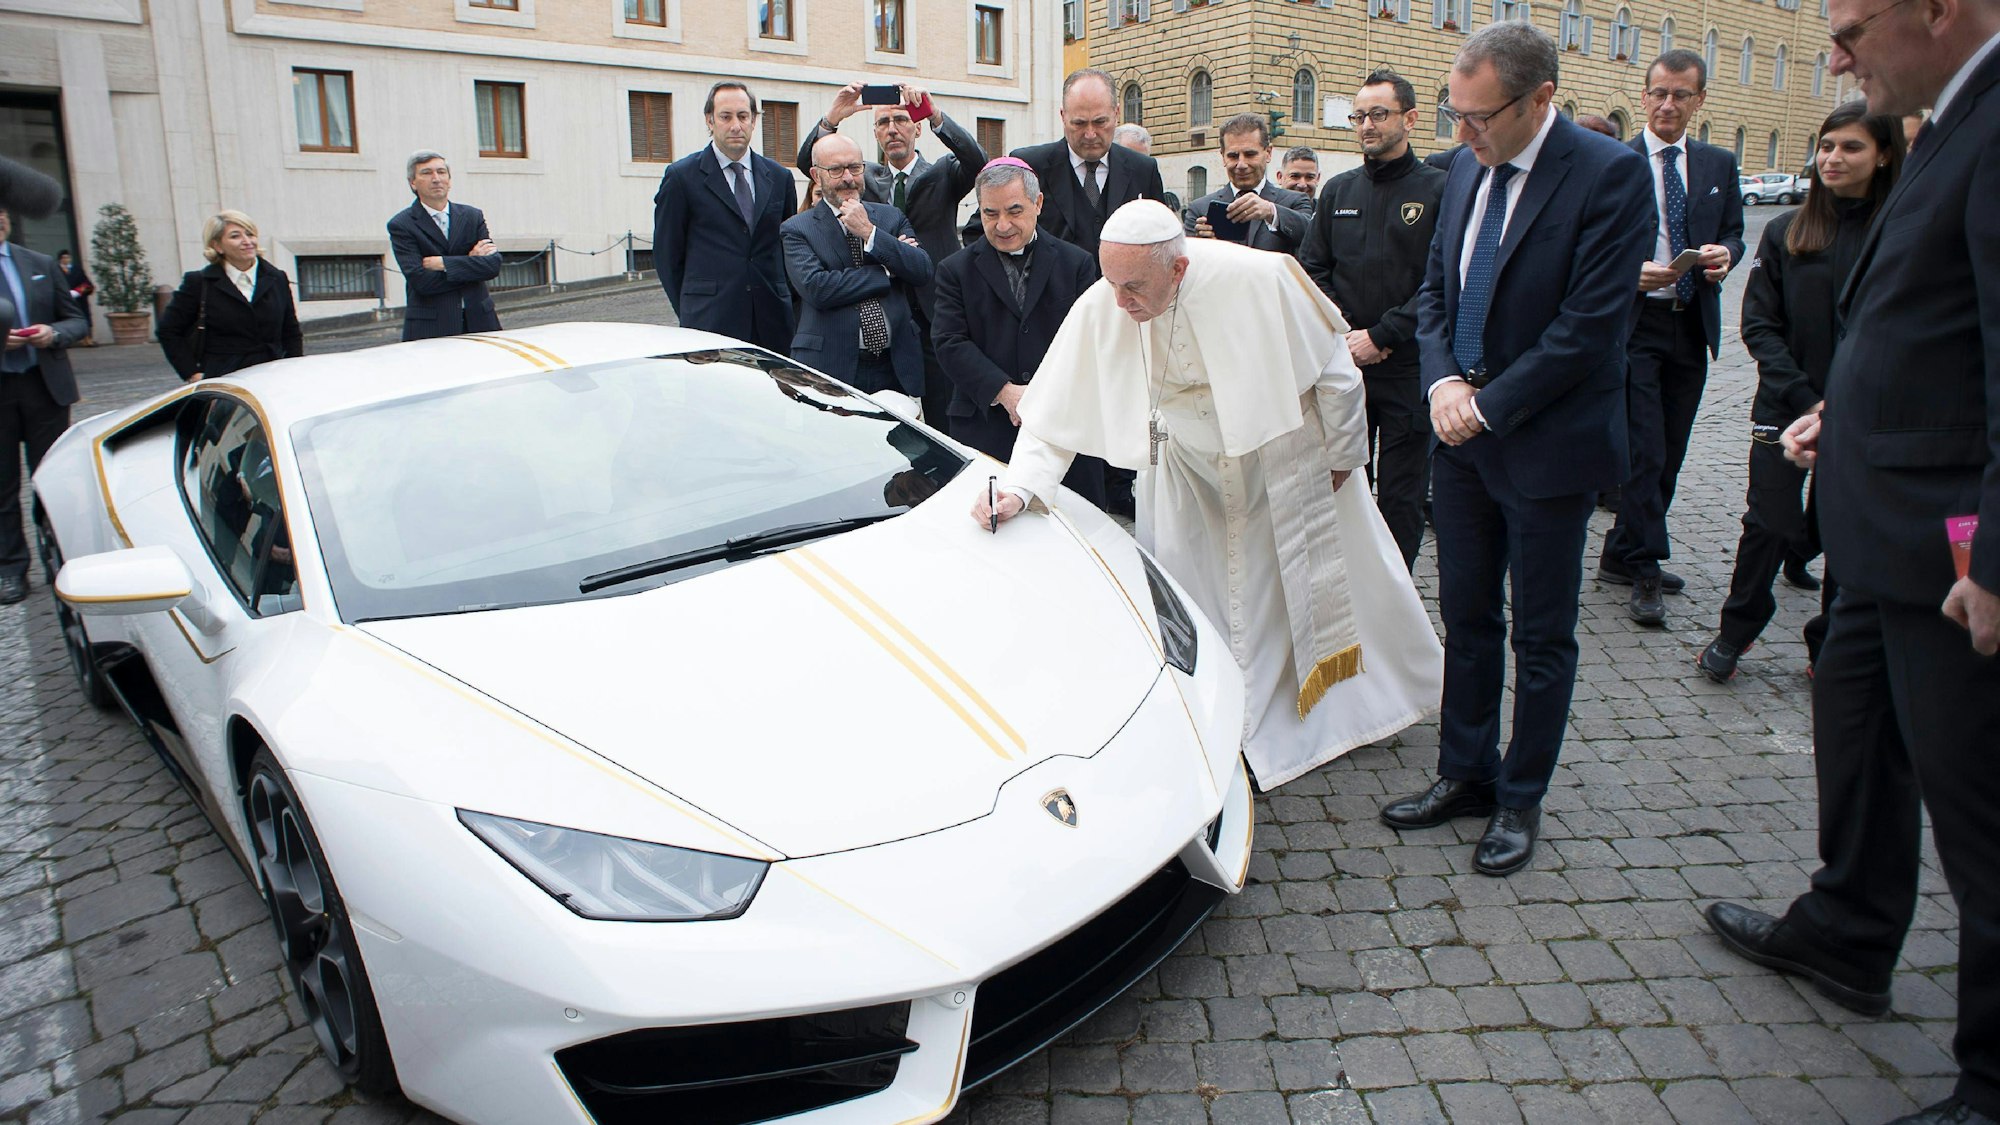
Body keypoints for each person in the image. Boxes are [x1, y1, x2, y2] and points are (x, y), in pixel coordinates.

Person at [1703, 0, 2000, 1118]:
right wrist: (1848, 411)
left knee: (1978, 815)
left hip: (1952, 557)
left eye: (1852, 28)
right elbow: (1932, 331)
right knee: (1859, 741)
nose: (1833, 57)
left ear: (1938, 9)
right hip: (1878, 537)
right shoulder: (1950, 119)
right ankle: (1847, 927)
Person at [971, 199, 1442, 790]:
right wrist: (1019, 488)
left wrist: (1343, 457)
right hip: (1185, 470)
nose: (1120, 303)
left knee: (1283, 597)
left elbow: (1336, 374)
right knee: (1191, 599)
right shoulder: (1108, 300)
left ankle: (1325, 718)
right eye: (1112, 283)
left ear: (1178, 268)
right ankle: (1217, 719)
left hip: (1275, 459)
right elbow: (1052, 413)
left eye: (1134, 287)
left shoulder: (1262, 279)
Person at [1386, 22, 1654, 876]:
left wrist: (1486, 405)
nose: (1462, 133)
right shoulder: (1467, 166)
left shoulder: (1610, 175)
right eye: (1453, 114)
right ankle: (1465, 770)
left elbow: (1589, 328)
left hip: (1546, 446)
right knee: (1468, 616)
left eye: (1479, 116)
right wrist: (1441, 384)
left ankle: (1519, 795)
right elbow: (1435, 291)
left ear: (1541, 99)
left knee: (1542, 635)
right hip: (1462, 441)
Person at [1697, 104, 1904, 683]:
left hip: (1866, 412)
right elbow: (1760, 325)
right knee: (1768, 523)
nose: (1832, 158)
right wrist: (1807, 398)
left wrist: (1846, 403)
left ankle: (1830, 643)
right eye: (1826, 145)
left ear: (1883, 155)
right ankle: (1736, 630)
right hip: (1786, 407)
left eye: (1851, 147)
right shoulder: (1787, 230)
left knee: (1844, 530)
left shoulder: (1900, 230)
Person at [1596, 49, 1746, 624]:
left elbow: (1735, 231)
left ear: (1699, 100)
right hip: (1635, 325)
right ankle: (1646, 565)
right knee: (1645, 449)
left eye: (1681, 95)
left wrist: (1726, 253)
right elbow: (1589, 243)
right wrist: (1627, 271)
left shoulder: (1717, 164)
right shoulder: (1615, 162)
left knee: (1672, 452)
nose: (1667, 104)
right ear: (1643, 95)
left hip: (1691, 321)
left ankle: (1620, 551)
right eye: (1659, 92)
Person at [1300, 69, 1447, 571]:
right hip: (1346, 368)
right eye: (1359, 116)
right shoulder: (1339, 191)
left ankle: (1395, 589)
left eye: (1378, 114)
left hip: (1409, 369)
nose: (1367, 125)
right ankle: (1352, 583)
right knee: (1345, 486)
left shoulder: (1439, 189)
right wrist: (1349, 333)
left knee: (1403, 497)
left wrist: (1384, 335)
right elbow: (1313, 268)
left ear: (1410, 118)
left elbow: (1441, 280)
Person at [796, 82, 985, 426]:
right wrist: (832, 118)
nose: (892, 129)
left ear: (917, 129)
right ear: (875, 134)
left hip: (934, 307)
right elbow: (812, 161)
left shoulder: (943, 172)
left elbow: (978, 162)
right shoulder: (862, 176)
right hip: (885, 311)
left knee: (942, 410)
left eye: (901, 120)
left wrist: (934, 114)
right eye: (883, 122)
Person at [930, 159, 1107, 506]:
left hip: (1063, 424)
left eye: (1014, 211)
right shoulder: (954, 270)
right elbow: (949, 342)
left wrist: (1043, 396)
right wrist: (1005, 392)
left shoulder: (1076, 263)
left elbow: (1089, 342)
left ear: (1037, 203)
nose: (1002, 225)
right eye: (990, 213)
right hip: (986, 425)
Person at [781, 134, 932, 399]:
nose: (848, 178)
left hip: (895, 365)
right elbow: (818, 289)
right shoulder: (797, 229)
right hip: (830, 367)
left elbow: (921, 269)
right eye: (836, 170)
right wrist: (886, 271)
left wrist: (870, 233)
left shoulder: (889, 217)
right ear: (816, 175)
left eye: (854, 167)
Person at [654, 81, 797, 354]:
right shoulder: (682, 177)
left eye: (743, 116)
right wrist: (691, 307)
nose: (735, 126)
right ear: (710, 120)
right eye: (725, 117)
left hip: (773, 323)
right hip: (710, 322)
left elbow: (787, 249)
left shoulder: (780, 178)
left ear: (754, 120)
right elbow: (667, 256)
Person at [0, 205, 88, 606]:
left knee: (53, 479)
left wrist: (53, 333)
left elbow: (76, 321)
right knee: (3, 486)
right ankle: (10, 570)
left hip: (44, 388)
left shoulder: (39, 263)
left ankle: (61, 560)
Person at [1012, 68, 1166, 259]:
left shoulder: (1143, 170)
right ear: (1063, 116)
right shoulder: (1028, 167)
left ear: (1117, 113)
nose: (1090, 134)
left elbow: (1163, 241)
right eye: (1079, 123)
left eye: (1100, 122)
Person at [157, 211, 305, 382]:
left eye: (250, 234)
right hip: (224, 379)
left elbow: (291, 331)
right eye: (235, 236)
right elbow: (169, 331)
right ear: (217, 245)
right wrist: (192, 374)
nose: (247, 241)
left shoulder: (277, 278)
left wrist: (293, 368)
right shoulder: (199, 283)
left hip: (272, 376)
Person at [387, 150, 503, 341]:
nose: (436, 179)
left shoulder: (472, 216)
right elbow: (421, 281)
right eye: (426, 173)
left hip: (481, 321)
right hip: (431, 328)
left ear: (449, 179)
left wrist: (443, 264)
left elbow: (493, 266)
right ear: (412, 182)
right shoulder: (401, 225)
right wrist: (471, 263)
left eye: (441, 172)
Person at [1184, 114, 1311, 257]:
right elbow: (1189, 263)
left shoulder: (1294, 202)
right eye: (1233, 156)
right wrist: (1202, 246)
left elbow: (1311, 237)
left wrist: (1271, 212)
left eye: (1250, 154)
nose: (1241, 164)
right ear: (1223, 157)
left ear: (1268, 153)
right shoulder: (1200, 209)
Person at [55, 250, 91, 343]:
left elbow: (87, 284)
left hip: (79, 300)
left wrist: (77, 292)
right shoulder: (55, 270)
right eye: (64, 258)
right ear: (60, 259)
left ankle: (87, 339)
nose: (66, 259)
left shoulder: (77, 269)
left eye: (68, 257)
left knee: (83, 317)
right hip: (63, 300)